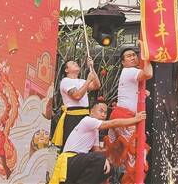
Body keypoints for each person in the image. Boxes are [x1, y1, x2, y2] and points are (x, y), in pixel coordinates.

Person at [49, 100, 146, 184]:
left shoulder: (94, 130)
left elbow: (97, 151)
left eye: (105, 112)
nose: (103, 115)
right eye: (101, 111)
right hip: (69, 160)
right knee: (99, 159)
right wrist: (135, 119)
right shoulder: (87, 121)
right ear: (91, 111)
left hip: (78, 163)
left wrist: (114, 152)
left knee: (109, 168)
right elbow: (112, 123)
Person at [104, 46, 153, 184]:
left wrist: (143, 92)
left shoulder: (129, 73)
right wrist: (147, 56)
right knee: (136, 153)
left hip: (121, 115)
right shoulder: (130, 70)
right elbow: (148, 73)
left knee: (115, 155)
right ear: (123, 62)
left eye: (134, 55)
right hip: (125, 116)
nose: (133, 57)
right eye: (128, 56)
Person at [52, 57, 100, 149]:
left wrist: (92, 68)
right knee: (72, 145)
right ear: (66, 70)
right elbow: (77, 96)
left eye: (76, 62)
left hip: (85, 115)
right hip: (73, 117)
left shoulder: (82, 81)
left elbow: (96, 85)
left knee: (84, 144)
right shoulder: (66, 81)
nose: (76, 63)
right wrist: (88, 80)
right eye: (72, 63)